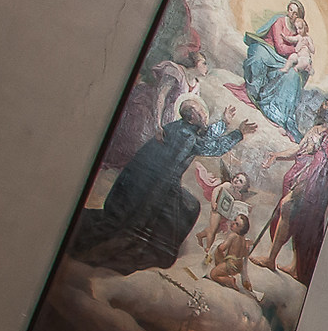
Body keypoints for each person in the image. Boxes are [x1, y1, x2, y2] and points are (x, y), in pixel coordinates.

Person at [71, 100, 256, 274]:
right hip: (157, 184)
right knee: (185, 209)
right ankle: (154, 249)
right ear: (191, 118)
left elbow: (204, 136)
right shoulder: (185, 135)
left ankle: (154, 244)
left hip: (152, 179)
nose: (205, 115)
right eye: (200, 113)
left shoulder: (182, 128)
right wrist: (238, 133)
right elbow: (210, 147)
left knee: (187, 206)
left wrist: (224, 122)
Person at [253, 99, 328, 283]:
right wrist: (277, 156)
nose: (322, 110)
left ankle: (273, 260)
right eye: (322, 107)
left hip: (312, 184)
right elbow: (300, 150)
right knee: (294, 216)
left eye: (327, 108)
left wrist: (311, 179)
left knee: (289, 208)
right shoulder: (315, 131)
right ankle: (292, 266)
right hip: (301, 177)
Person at [237, 0, 315, 139]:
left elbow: (306, 53)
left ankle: (277, 113)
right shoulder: (280, 21)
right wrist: (299, 51)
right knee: (258, 56)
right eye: (290, 10)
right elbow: (280, 47)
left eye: (295, 13)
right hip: (268, 49)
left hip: (283, 60)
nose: (291, 14)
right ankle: (254, 93)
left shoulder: (299, 32)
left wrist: (303, 55)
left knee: (293, 76)